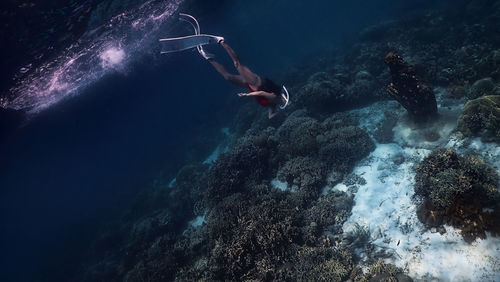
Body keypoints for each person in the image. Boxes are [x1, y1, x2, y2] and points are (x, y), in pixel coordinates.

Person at [203, 40, 287, 119]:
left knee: (228, 77)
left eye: (284, 104)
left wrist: (280, 112)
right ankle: (221, 42)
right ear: (283, 97)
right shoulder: (274, 96)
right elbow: (261, 93)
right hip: (255, 82)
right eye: (284, 101)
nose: (283, 103)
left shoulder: (273, 105)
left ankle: (209, 58)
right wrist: (247, 95)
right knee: (238, 64)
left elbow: (270, 116)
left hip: (250, 86)